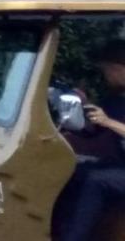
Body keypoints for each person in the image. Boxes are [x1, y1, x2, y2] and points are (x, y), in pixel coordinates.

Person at [54, 39, 125, 241]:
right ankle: (57, 230)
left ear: (119, 69)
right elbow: (95, 130)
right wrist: (80, 117)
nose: (106, 76)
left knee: (96, 181)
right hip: (119, 165)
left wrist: (107, 121)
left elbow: (108, 122)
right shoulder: (116, 99)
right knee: (73, 170)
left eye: (107, 70)